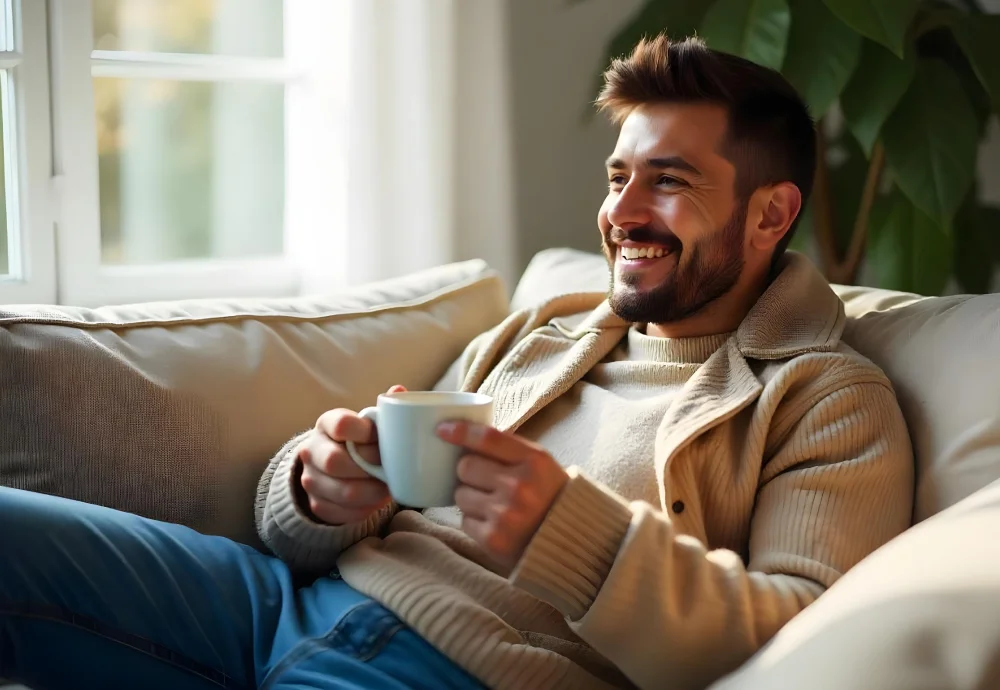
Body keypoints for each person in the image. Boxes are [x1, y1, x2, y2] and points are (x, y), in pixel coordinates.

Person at [0, 34, 913, 690]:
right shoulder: (550, 328)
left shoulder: (827, 399)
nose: (623, 211)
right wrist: (321, 487)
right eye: (617, 176)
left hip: (456, 670)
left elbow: (798, 644)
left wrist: (566, 528)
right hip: (279, 600)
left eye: (669, 181)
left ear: (769, 214)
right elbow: (322, 504)